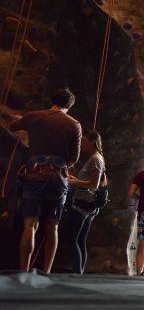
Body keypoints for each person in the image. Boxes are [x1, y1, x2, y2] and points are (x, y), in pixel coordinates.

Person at [8, 87, 81, 274]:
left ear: (53, 99)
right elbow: (74, 158)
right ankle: (47, 272)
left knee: (30, 225)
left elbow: (13, 126)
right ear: (69, 105)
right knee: (52, 227)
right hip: (58, 179)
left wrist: (19, 119)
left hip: (33, 175)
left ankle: (24, 270)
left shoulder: (34, 116)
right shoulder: (74, 125)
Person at [68, 130, 106, 274]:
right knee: (80, 240)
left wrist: (73, 181)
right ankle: (81, 272)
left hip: (83, 204)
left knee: (72, 240)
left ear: (91, 141)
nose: (82, 144)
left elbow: (93, 184)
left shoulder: (96, 159)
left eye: (84, 141)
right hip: (87, 205)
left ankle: (78, 273)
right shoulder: (96, 158)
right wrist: (75, 179)